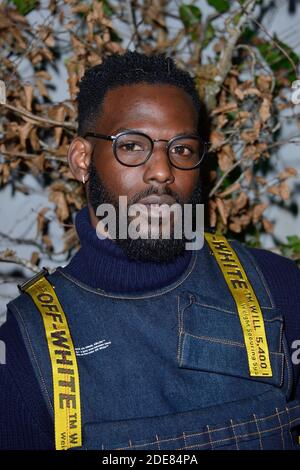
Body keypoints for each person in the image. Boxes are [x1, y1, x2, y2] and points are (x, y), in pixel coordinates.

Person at [0, 51, 300, 451]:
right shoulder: (24, 351)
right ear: (82, 160)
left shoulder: (279, 289)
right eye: (132, 145)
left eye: (182, 149)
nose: (162, 170)